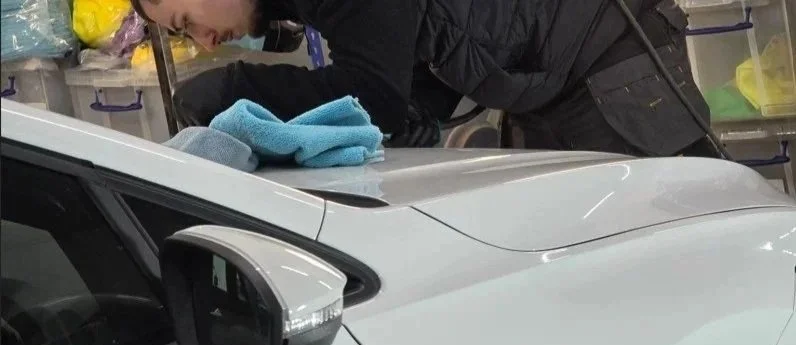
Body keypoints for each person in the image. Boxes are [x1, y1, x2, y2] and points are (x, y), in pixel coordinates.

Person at [132, 0, 715, 156]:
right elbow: (421, 35)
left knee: (671, 274)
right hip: (548, 79)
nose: (202, 41)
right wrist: (419, 111)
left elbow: (372, 98)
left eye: (187, 22)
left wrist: (234, 87)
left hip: (610, 59)